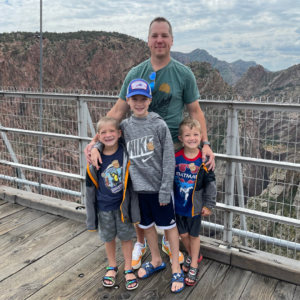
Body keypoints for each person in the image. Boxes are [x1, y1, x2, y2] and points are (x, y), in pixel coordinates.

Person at [84, 16, 215, 271]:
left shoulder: (183, 74)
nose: (159, 40)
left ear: (171, 39)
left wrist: (206, 143)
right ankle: (142, 243)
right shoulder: (136, 73)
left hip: (173, 152)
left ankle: (168, 242)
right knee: (137, 197)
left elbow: (195, 112)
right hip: (138, 152)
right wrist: (95, 142)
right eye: (155, 35)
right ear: (148, 40)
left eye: (164, 35)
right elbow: (118, 112)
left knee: (171, 200)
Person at [93, 78, 185, 292]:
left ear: (150, 100)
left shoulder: (159, 125)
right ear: (128, 100)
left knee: (170, 226)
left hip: (158, 189)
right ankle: (155, 260)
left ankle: (176, 268)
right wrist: (97, 145)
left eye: (143, 99)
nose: (139, 103)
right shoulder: (125, 126)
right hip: (137, 190)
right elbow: (110, 137)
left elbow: (169, 158)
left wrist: (165, 189)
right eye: (135, 99)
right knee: (146, 226)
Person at [85, 116, 139, 290]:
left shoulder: (125, 152)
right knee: (108, 238)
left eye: (112, 131)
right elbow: (90, 186)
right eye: (103, 132)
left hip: (123, 206)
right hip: (104, 206)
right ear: (98, 136)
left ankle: (128, 268)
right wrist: (95, 148)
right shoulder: (96, 157)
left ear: (119, 133)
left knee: (126, 237)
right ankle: (112, 266)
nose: (108, 135)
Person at [174, 118, 216, 286]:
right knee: (182, 234)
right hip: (178, 205)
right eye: (187, 135)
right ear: (180, 138)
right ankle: (193, 255)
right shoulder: (176, 157)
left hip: (195, 208)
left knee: (194, 235)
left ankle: (194, 264)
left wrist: (208, 205)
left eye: (195, 135)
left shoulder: (204, 160)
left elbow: (211, 185)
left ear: (201, 137)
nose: (192, 138)